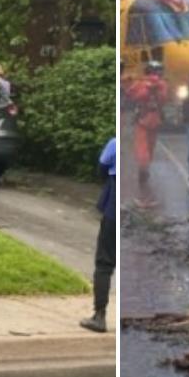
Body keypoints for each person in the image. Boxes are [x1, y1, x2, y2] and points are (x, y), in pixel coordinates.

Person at [80, 137, 116, 333]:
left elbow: (101, 168)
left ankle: (99, 315)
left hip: (114, 206)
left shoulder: (114, 143)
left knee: (104, 263)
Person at [127, 61, 169, 183]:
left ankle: (143, 167)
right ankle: (145, 167)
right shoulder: (162, 84)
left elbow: (131, 95)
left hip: (142, 117)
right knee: (151, 145)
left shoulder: (140, 83)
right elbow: (164, 99)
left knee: (142, 145)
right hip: (155, 119)